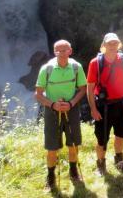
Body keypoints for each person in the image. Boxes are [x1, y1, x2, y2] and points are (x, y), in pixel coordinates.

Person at [35, 40, 87, 190]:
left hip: (72, 110)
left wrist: (71, 103)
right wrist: (52, 104)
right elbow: (38, 94)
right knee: (52, 147)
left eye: (64, 50)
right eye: (58, 50)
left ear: (70, 51)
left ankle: (73, 172)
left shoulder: (76, 67)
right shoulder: (47, 69)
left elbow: (83, 89)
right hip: (52, 111)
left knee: (73, 144)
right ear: (54, 52)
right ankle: (50, 177)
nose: (61, 53)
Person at [87, 33, 123, 174]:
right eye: (110, 43)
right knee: (102, 138)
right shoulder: (95, 63)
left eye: (115, 43)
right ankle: (101, 165)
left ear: (119, 45)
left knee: (120, 135)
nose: (113, 46)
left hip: (121, 104)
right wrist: (93, 109)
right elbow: (90, 88)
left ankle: (119, 160)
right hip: (102, 106)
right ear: (104, 45)